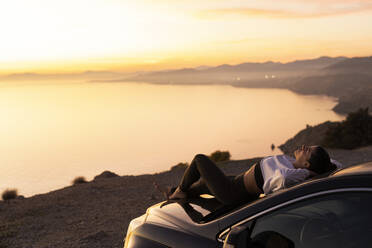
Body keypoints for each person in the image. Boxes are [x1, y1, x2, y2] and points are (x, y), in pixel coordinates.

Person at [165, 145, 340, 205]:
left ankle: (178, 190)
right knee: (202, 184)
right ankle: (176, 194)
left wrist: (307, 172)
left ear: (307, 165)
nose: (303, 147)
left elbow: (286, 178)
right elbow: (335, 164)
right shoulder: (291, 163)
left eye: (307, 151)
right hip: (235, 182)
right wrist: (325, 166)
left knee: (199, 160)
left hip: (232, 192)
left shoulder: (290, 174)